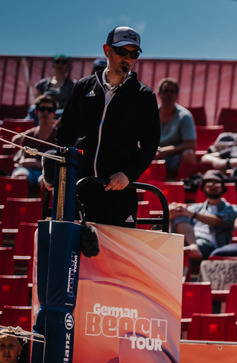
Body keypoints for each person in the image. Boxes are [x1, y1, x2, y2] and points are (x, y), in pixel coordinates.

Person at [45, 26, 159, 228]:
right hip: (79, 187)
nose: (127, 58)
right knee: (73, 255)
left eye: (133, 54)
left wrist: (127, 174)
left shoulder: (144, 95)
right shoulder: (83, 86)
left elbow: (151, 143)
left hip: (118, 191)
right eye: (122, 51)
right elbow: (65, 133)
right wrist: (59, 172)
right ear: (107, 50)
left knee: (115, 258)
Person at [170, 170, 237, 260]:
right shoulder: (195, 208)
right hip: (190, 241)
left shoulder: (232, 209)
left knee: (186, 249)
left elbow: (218, 221)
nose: (213, 186)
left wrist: (193, 214)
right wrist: (171, 213)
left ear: (223, 188)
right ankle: (193, 247)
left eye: (217, 183)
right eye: (209, 183)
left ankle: (192, 249)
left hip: (211, 246)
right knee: (179, 213)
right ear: (203, 187)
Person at [11, 95, 59, 191]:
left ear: (54, 114)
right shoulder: (29, 134)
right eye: (42, 109)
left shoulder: (58, 136)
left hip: (46, 171)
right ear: (36, 112)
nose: (46, 112)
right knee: (19, 175)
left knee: (46, 180)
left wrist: (36, 163)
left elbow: (56, 163)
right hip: (28, 171)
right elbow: (22, 160)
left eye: (49, 110)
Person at [153, 78, 197, 179]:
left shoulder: (185, 116)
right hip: (152, 154)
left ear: (177, 95)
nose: (169, 94)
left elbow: (191, 144)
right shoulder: (150, 113)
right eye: (165, 91)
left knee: (189, 154)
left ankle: (186, 185)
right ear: (159, 94)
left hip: (174, 157)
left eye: (172, 91)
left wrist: (168, 150)